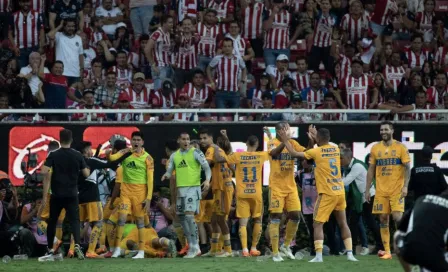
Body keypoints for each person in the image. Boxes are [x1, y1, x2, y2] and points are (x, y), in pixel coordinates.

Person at [277, 127, 358, 263]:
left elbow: (295, 154)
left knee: (317, 224)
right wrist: (315, 139)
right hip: (339, 191)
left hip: (327, 193)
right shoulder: (335, 149)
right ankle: (350, 254)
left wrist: (285, 140)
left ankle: (319, 256)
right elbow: (340, 158)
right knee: (343, 223)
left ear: (319, 139)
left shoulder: (316, 151)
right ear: (329, 138)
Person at [38, 129, 90, 261]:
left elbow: (43, 172)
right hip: (72, 194)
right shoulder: (78, 155)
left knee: (52, 222)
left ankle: (50, 249)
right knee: (75, 221)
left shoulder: (53, 155)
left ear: (60, 140)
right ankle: (77, 244)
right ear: (71, 140)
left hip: (57, 195)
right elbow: (86, 174)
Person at [365, 121, 411, 260]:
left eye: (386, 129)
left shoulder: (401, 147)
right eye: (381, 130)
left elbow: (408, 168)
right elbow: (371, 170)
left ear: (392, 131)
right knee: (383, 219)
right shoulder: (375, 148)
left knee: (398, 218)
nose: (383, 132)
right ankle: (387, 251)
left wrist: (405, 186)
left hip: (397, 190)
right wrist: (367, 190)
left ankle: (403, 247)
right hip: (381, 191)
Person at [76, 141, 131, 258]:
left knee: (79, 224)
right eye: (90, 149)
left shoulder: (74, 162)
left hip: (79, 197)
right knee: (99, 223)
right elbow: (111, 163)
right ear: (85, 151)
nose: (92, 151)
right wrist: (127, 153)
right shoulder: (91, 161)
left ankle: (72, 249)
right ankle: (91, 250)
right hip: (92, 197)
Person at [162, 132, 211, 258]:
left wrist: (207, 180)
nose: (186, 141)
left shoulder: (196, 152)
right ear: (179, 140)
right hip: (181, 190)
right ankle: (191, 245)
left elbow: (206, 168)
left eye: (188, 139)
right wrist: (166, 175)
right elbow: (169, 170)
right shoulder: (174, 156)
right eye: (183, 139)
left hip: (193, 188)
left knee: (189, 216)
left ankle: (196, 246)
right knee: (181, 217)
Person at [220, 133, 268, 257]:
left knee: (242, 224)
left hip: (242, 193)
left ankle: (245, 250)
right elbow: (272, 150)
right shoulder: (261, 155)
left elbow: (227, 156)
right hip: (256, 193)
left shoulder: (238, 156)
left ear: (246, 144)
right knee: (258, 219)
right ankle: (254, 248)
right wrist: (269, 135)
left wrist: (226, 138)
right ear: (257, 145)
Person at [265, 122, 308, 262]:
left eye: (288, 129)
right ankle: (275, 252)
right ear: (278, 131)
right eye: (285, 129)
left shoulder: (293, 143)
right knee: (276, 216)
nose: (287, 131)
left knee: (295, 215)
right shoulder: (272, 142)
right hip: (276, 186)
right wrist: (284, 142)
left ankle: (286, 245)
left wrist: (312, 140)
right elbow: (274, 153)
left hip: (291, 187)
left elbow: (306, 154)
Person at [111, 131, 154, 259]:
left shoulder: (148, 158)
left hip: (140, 193)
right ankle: (117, 249)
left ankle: (141, 251)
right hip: (125, 192)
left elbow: (150, 180)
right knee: (121, 218)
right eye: (134, 139)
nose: (136, 142)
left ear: (142, 142)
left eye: (138, 140)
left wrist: (149, 198)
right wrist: (109, 153)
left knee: (140, 221)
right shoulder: (125, 153)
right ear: (131, 141)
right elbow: (113, 158)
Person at [340, 148, 383, 255]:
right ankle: (352, 249)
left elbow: (345, 182)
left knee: (370, 222)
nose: (340, 160)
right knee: (354, 223)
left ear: (349, 158)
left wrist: (330, 182)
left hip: (369, 196)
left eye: (341, 158)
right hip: (361, 199)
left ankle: (381, 246)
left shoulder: (356, 166)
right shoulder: (348, 167)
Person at [394, 190, 448, 272]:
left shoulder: (422, 199)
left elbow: (401, 228)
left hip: (410, 252)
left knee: (397, 235)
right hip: (436, 260)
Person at [199, 129, 233, 257]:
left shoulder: (211, 149)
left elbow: (205, 164)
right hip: (219, 187)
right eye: (201, 138)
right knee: (213, 219)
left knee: (220, 219)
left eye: (204, 138)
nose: (202, 141)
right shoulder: (219, 150)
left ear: (210, 138)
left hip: (223, 188)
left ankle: (228, 250)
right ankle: (214, 249)